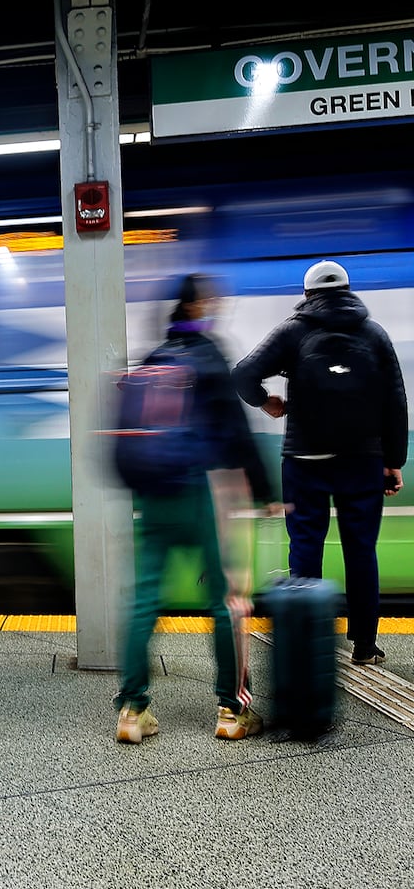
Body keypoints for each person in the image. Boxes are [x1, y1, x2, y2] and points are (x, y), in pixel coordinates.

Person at [115, 274, 276, 745]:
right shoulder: (209, 356)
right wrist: (265, 491)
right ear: (196, 307)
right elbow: (238, 432)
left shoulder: (153, 359)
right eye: (210, 301)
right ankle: (231, 709)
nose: (216, 307)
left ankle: (132, 709)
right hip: (203, 492)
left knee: (145, 597)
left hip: (153, 493)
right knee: (226, 598)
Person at [233, 259, 407, 665]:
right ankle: (364, 646)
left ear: (308, 294)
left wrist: (269, 403)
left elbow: (242, 376)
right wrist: (393, 460)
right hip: (363, 459)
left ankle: (305, 647)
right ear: (349, 290)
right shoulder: (374, 333)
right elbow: (395, 402)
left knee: (306, 548)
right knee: (362, 551)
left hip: (304, 459)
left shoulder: (293, 331)